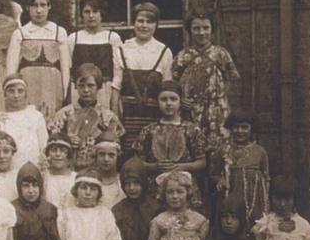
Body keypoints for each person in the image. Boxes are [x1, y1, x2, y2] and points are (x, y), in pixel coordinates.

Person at [133, 80, 207, 211]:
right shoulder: (148, 130)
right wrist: (154, 166)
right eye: (164, 99)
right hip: (155, 189)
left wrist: (180, 166)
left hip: (184, 188)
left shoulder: (192, 129)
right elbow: (137, 162)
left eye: (173, 99)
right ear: (157, 102)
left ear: (180, 102)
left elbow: (202, 162)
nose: (168, 103)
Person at [172, 10, 240, 152]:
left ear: (212, 30)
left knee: (219, 149)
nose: (201, 32)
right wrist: (181, 99)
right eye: (196, 28)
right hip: (191, 110)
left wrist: (222, 99)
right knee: (193, 146)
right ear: (190, 30)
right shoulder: (184, 55)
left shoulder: (220, 54)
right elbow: (172, 83)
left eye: (205, 28)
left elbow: (233, 79)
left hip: (218, 110)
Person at [111, 2, 173, 152]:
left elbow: (168, 89)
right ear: (134, 23)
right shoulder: (122, 50)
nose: (144, 25)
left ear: (156, 25)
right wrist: (115, 120)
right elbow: (116, 88)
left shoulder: (164, 51)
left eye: (149, 22)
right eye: (140, 21)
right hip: (128, 117)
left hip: (154, 117)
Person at [6, 0, 69, 120]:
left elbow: (65, 68)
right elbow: (11, 70)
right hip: (28, 89)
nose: (39, 10)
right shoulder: (20, 33)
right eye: (34, 5)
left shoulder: (59, 32)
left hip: (53, 89)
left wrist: (65, 94)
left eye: (43, 5)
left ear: (49, 7)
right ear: (28, 8)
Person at [49, 63, 124, 172]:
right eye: (81, 85)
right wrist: (66, 141)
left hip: (99, 172)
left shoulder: (108, 117)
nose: (86, 90)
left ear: (99, 86)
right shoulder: (64, 114)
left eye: (90, 85)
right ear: (75, 86)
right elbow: (53, 143)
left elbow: (116, 149)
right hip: (69, 171)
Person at [209, 109, 269, 229]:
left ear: (251, 129)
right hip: (231, 196)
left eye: (244, 127)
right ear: (231, 128)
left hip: (254, 199)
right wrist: (220, 180)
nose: (240, 131)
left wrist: (264, 201)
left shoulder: (259, 151)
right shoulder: (223, 150)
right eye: (236, 127)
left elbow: (266, 177)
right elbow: (213, 174)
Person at [67, 0, 123, 110]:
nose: (91, 16)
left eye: (95, 11)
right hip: (80, 91)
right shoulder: (74, 38)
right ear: (82, 14)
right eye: (87, 12)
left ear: (101, 13)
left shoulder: (112, 38)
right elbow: (68, 69)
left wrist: (114, 99)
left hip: (104, 91)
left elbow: (118, 72)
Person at [0, 74, 48, 169]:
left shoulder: (36, 116)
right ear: (5, 94)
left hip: (32, 167)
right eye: (11, 91)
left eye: (20, 91)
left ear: (26, 93)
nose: (16, 95)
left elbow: (44, 145)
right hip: (8, 168)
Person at [43, 132, 77, 210]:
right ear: (48, 154)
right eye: (54, 150)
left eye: (62, 150)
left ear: (69, 154)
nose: (58, 154)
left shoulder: (75, 178)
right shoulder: (44, 177)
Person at [94, 130, 126, 210]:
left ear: (118, 156)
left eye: (111, 155)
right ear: (96, 155)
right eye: (102, 154)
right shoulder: (90, 180)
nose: (106, 159)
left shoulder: (123, 181)